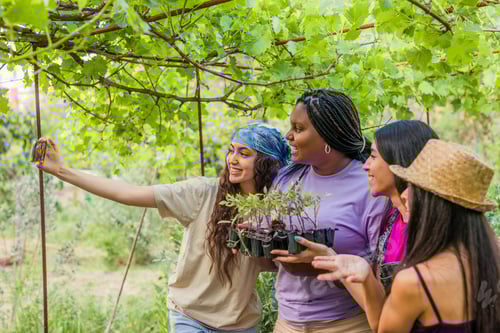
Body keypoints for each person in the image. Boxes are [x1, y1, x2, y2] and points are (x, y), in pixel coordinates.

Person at [35, 123, 291, 333]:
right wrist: (62, 171)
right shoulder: (203, 193)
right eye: (231, 150)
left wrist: (263, 245)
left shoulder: (277, 209)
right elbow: (128, 192)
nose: (232, 159)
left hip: (240, 324)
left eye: (244, 153)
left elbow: (276, 265)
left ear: (267, 163)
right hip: (190, 317)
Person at [312, 139, 500, 332]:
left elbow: (382, 329)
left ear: (434, 204)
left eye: (413, 187)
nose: (404, 194)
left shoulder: (414, 281)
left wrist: (367, 278)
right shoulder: (493, 258)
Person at [269, 89, 387, 332]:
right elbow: (273, 258)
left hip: (346, 324)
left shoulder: (370, 184)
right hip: (288, 323)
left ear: (328, 137)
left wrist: (328, 261)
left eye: (299, 129)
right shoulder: (288, 179)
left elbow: (380, 276)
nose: (288, 136)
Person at [363, 120, 439, 290]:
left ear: (399, 162)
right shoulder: (391, 216)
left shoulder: (433, 229)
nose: (365, 166)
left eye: (373, 156)